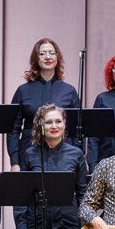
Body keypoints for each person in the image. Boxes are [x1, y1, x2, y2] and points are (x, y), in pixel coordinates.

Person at [8, 38, 79, 170]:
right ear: (36, 58)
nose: (48, 57)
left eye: (52, 53)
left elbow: (77, 129)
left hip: (63, 156)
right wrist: (14, 162)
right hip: (28, 154)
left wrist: (77, 157)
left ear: (58, 58)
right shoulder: (23, 90)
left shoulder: (69, 91)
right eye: (42, 53)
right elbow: (13, 129)